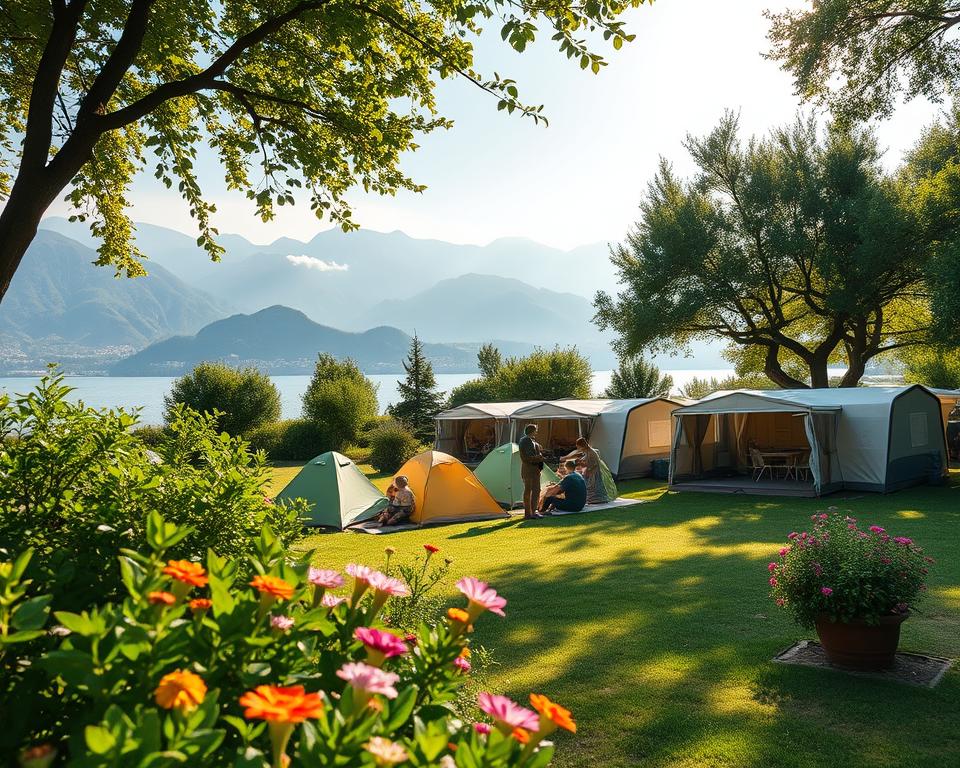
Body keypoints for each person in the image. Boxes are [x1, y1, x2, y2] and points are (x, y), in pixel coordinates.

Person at [561, 437, 609, 504]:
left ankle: (597, 499)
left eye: (579, 447)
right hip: (588, 472)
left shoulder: (591, 452)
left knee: (593, 486)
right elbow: (581, 457)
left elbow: (593, 464)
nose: (578, 448)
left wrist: (583, 465)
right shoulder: (587, 451)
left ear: (582, 445)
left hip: (593, 473)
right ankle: (592, 499)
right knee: (588, 486)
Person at [517, 423, 547, 519]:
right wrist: (539, 457)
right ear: (532, 431)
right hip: (529, 469)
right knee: (529, 490)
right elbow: (527, 457)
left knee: (536, 490)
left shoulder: (530, 441)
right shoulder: (525, 440)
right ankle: (528, 513)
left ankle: (533, 512)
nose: (537, 432)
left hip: (534, 469)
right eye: (535, 430)